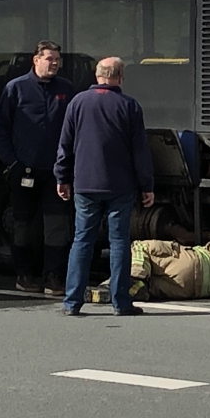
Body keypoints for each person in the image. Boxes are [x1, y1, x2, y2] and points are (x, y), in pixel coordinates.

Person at [55, 57, 155, 317]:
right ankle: (121, 302)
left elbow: (65, 144)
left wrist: (62, 177)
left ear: (97, 75)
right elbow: (139, 152)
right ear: (120, 77)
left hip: (85, 184)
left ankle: (72, 302)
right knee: (119, 241)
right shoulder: (129, 106)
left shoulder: (77, 103)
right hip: (120, 185)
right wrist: (147, 185)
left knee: (82, 241)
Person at [0, 40, 74, 295]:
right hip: (24, 172)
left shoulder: (66, 89)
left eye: (57, 60)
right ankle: (25, 275)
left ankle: (54, 277)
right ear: (35, 60)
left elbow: (74, 129)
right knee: (23, 226)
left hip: (56, 173)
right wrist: (13, 163)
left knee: (57, 228)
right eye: (49, 59)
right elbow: (1, 129)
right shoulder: (15, 89)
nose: (54, 64)